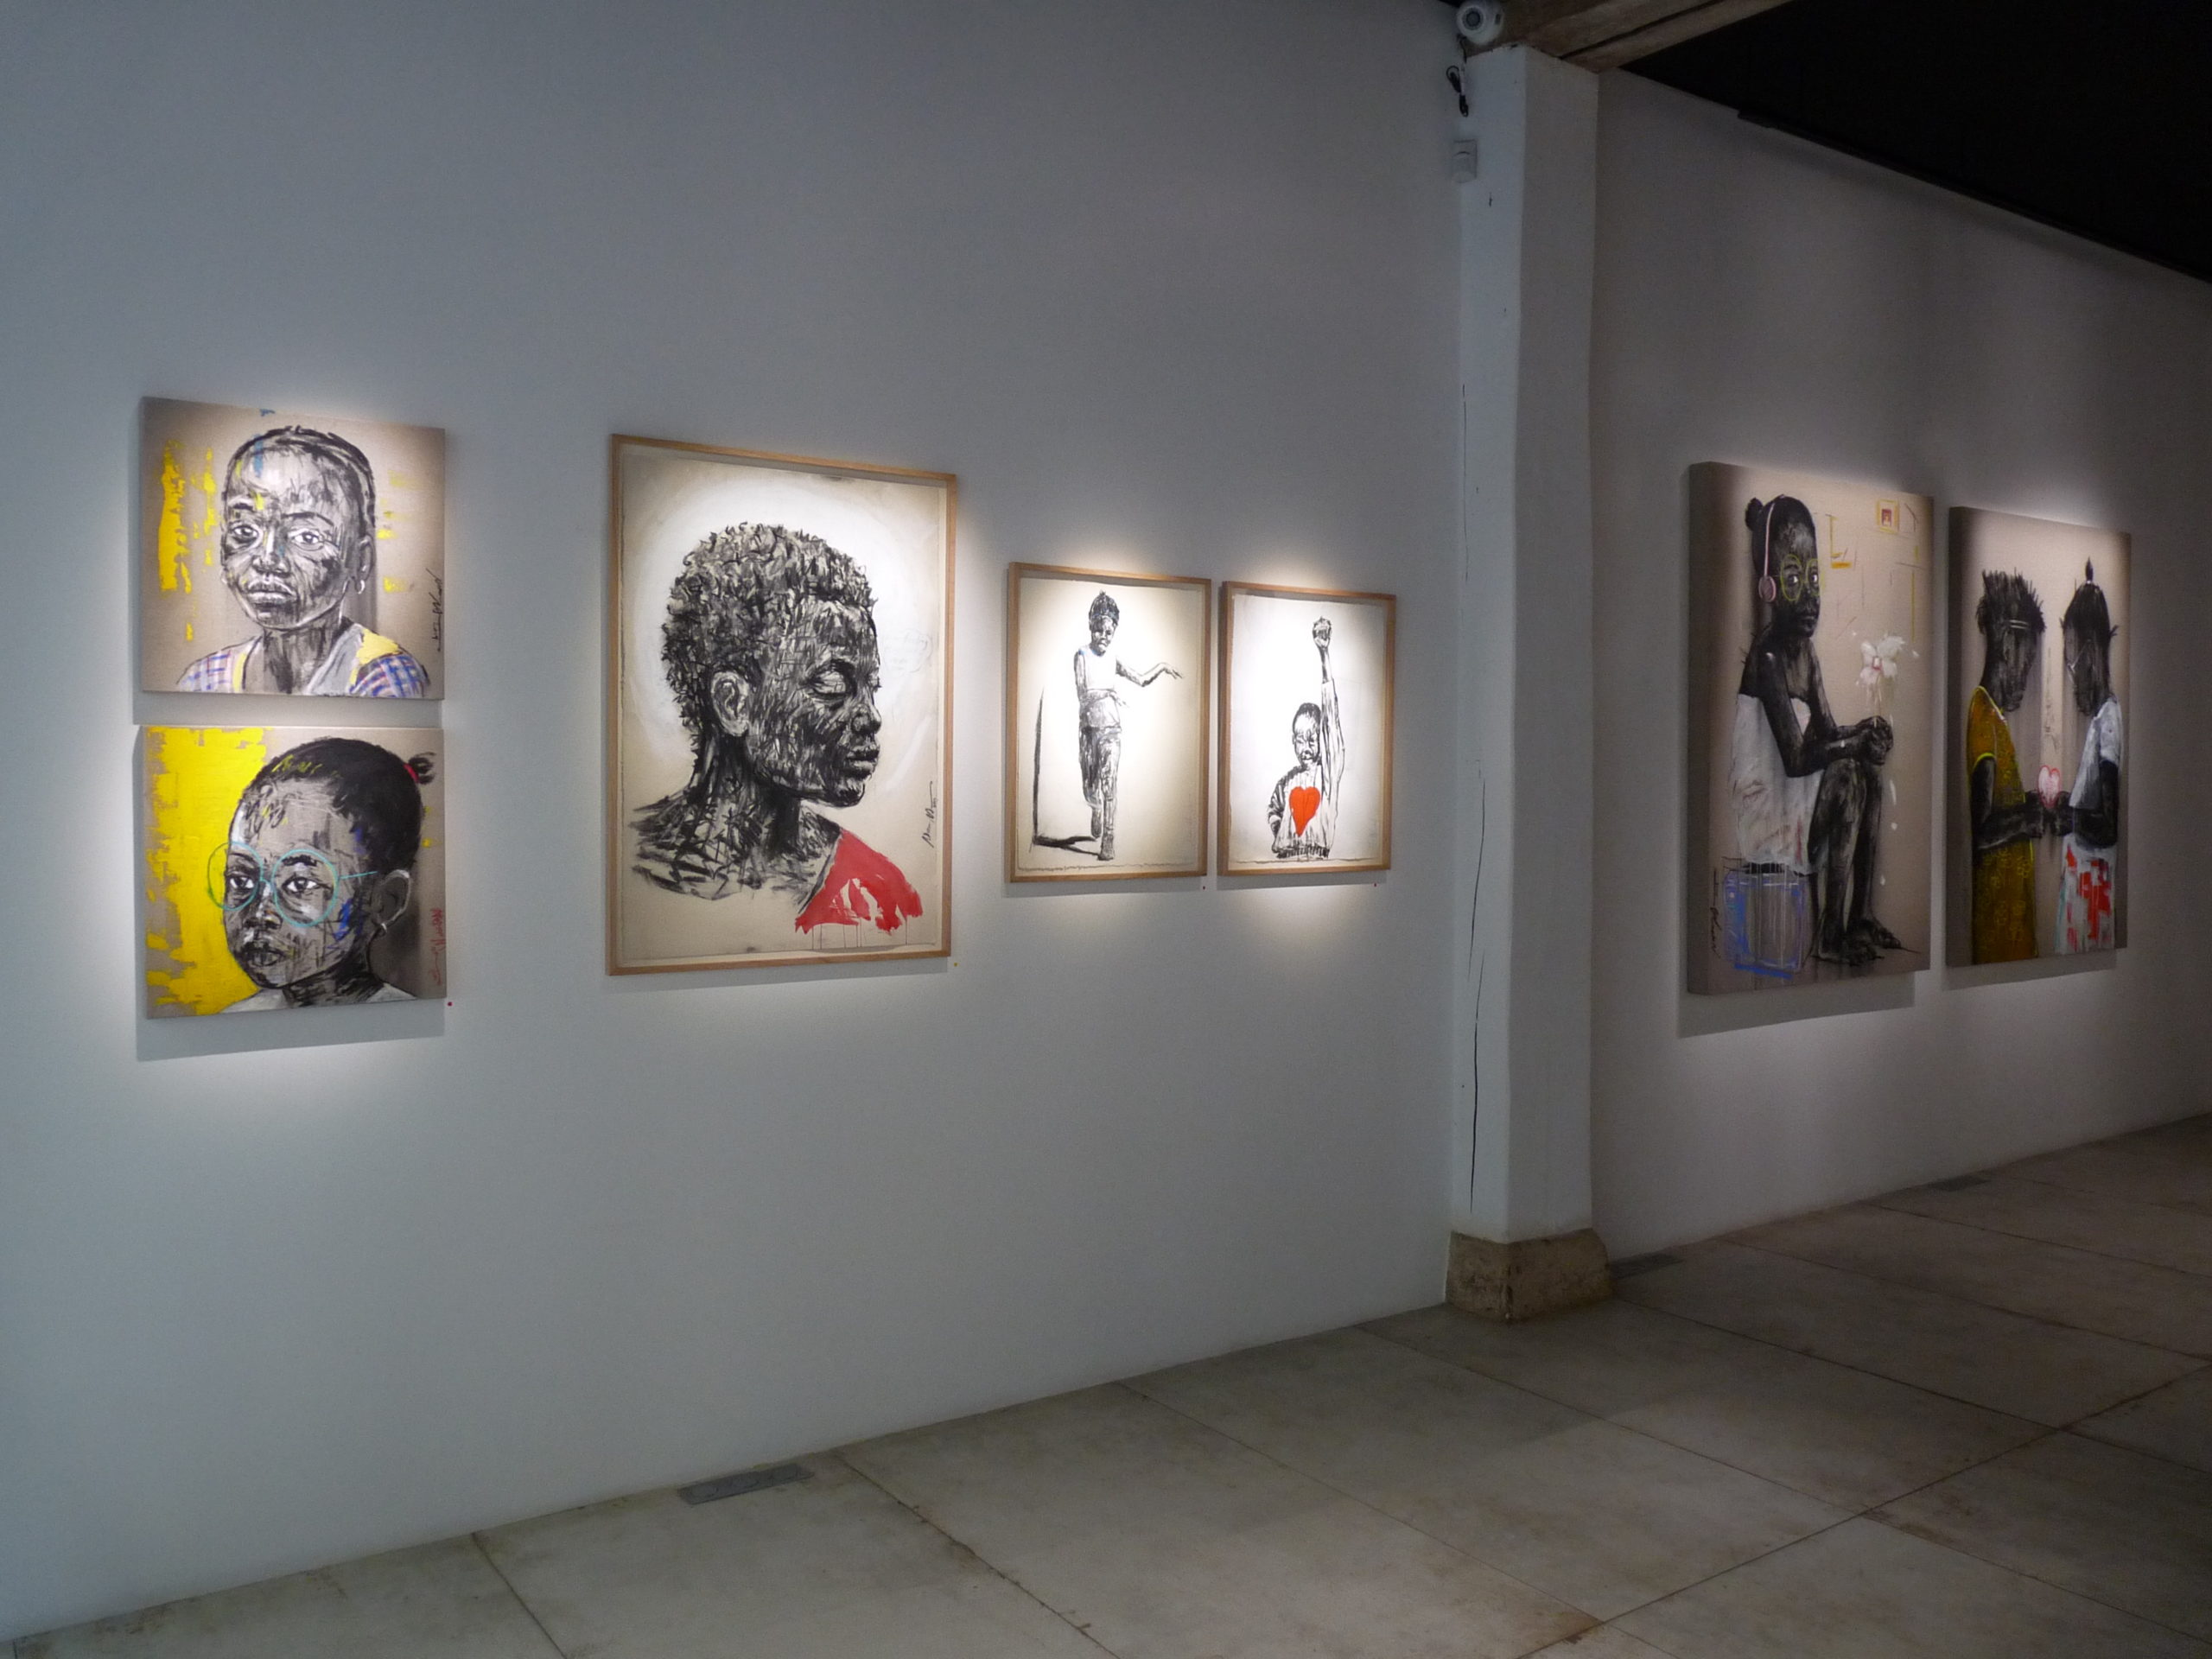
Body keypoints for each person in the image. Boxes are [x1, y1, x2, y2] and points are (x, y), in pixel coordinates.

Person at [632, 522, 921, 935]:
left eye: (869, 688)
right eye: (833, 684)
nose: (871, 717)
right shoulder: (627, 859)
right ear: (734, 702)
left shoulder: (880, 894)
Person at [1731, 495, 1899, 966]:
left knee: (1866, 773)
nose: (1809, 597)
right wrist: (1851, 744)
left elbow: (1825, 731)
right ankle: (1831, 933)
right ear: (1768, 587)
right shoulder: (1767, 658)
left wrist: (1863, 732)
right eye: (1792, 580)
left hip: (1798, 801)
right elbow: (1797, 758)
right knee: (1846, 777)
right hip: (1770, 812)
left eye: (1814, 580)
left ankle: (1860, 915)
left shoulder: (1807, 654)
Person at [179, 426, 430, 697]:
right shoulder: (205, 678)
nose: (267, 559)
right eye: (245, 531)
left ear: (361, 560)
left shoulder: (384, 675)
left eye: (307, 537)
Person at [213, 737, 424, 1010]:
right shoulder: (238, 1017)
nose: (260, 913)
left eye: (300, 884)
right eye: (241, 880)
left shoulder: (403, 1015)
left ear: (385, 902)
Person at [1965, 569, 2045, 963]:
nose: (2024, 680)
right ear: (2008, 645)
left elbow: (1997, 808)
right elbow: (1981, 831)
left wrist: (2025, 806)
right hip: (1998, 931)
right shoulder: (1982, 716)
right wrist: (2026, 820)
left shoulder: (1994, 718)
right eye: (2026, 665)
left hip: (2011, 924)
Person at [1071, 591, 1181, 861]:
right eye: (1099, 630)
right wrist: (1108, 693)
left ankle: (1108, 840)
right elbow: (1082, 694)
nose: (1103, 636)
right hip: (1088, 731)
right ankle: (1095, 807)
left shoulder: (1113, 659)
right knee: (1090, 786)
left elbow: (1140, 680)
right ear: (1091, 626)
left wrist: (1162, 667)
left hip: (1111, 730)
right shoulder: (1081, 655)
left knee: (1110, 784)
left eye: (1109, 632)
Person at [2055, 563, 2121, 953]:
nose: (2071, 674)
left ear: (2092, 651)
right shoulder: (2099, 720)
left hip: (2092, 898)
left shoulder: (2109, 722)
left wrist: (2071, 818)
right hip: (2081, 892)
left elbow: (2110, 824)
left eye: (2072, 658)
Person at [1268, 616, 1345, 859]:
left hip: (1318, 859)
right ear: (1293, 741)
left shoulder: (1327, 775)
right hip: (1285, 859)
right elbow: (1273, 808)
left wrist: (1324, 655)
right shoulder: (1287, 781)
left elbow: (1331, 722)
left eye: (1312, 739)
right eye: (1301, 740)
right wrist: (1280, 830)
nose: (1307, 747)